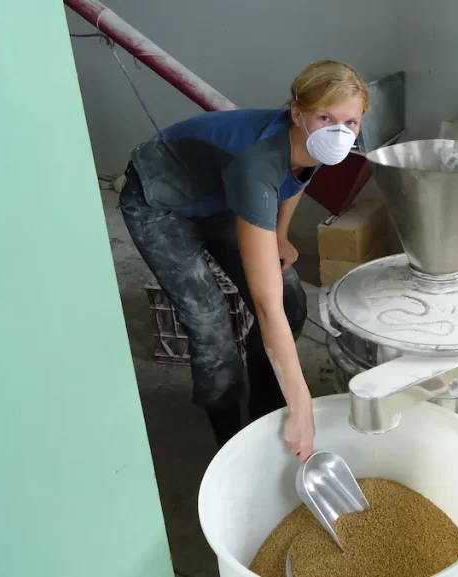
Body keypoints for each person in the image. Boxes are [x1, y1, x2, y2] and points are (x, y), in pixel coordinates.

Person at [119, 60, 369, 461]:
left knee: (290, 297)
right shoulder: (256, 165)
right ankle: (231, 444)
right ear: (296, 113)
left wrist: (281, 235)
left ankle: (266, 406)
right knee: (210, 324)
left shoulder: (319, 141)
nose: (340, 132)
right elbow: (263, 305)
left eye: (351, 122)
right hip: (160, 201)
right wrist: (303, 404)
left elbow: (298, 175)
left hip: (218, 193)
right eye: (326, 117)